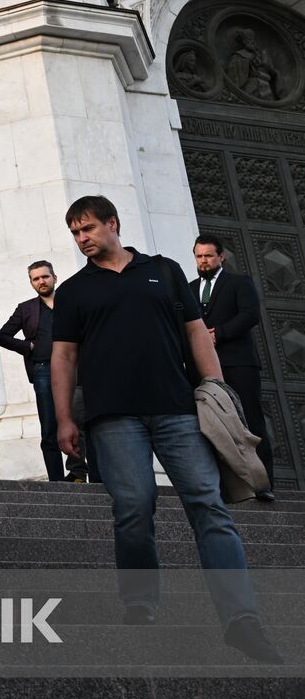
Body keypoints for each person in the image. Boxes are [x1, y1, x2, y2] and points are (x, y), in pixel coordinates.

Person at [50, 195, 281, 663]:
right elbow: (64, 356)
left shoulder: (165, 270)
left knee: (208, 504)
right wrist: (64, 419)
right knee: (134, 507)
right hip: (112, 417)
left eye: (88, 228)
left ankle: (241, 619)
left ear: (113, 223)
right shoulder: (74, 290)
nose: (82, 239)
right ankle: (140, 601)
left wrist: (216, 388)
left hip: (177, 410)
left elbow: (196, 332)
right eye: (75, 233)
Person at [190, 235, 273, 501]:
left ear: (221, 257)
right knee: (209, 425)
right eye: (199, 256)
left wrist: (218, 334)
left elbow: (250, 315)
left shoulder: (239, 283)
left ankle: (264, 484)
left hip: (238, 363)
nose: (203, 261)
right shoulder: (189, 289)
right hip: (201, 368)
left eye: (208, 256)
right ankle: (223, 488)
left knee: (251, 421)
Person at [0, 261, 88, 482]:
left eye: (45, 277)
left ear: (54, 278)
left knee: (79, 421)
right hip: (43, 370)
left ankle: (78, 473)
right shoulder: (26, 308)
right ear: (31, 283)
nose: (41, 281)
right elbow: (3, 335)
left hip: (74, 368)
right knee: (49, 426)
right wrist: (27, 346)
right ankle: (57, 481)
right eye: (36, 279)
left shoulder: (69, 303)